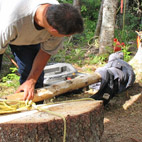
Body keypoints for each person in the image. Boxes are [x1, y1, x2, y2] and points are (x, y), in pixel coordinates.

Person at [0, 0, 84, 101]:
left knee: (34, 79)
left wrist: (31, 81)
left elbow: (46, 52)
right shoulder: (10, 23)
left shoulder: (59, 18)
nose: (68, 37)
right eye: (67, 35)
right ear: (53, 30)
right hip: (10, 26)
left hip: (26, 37)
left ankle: (33, 110)